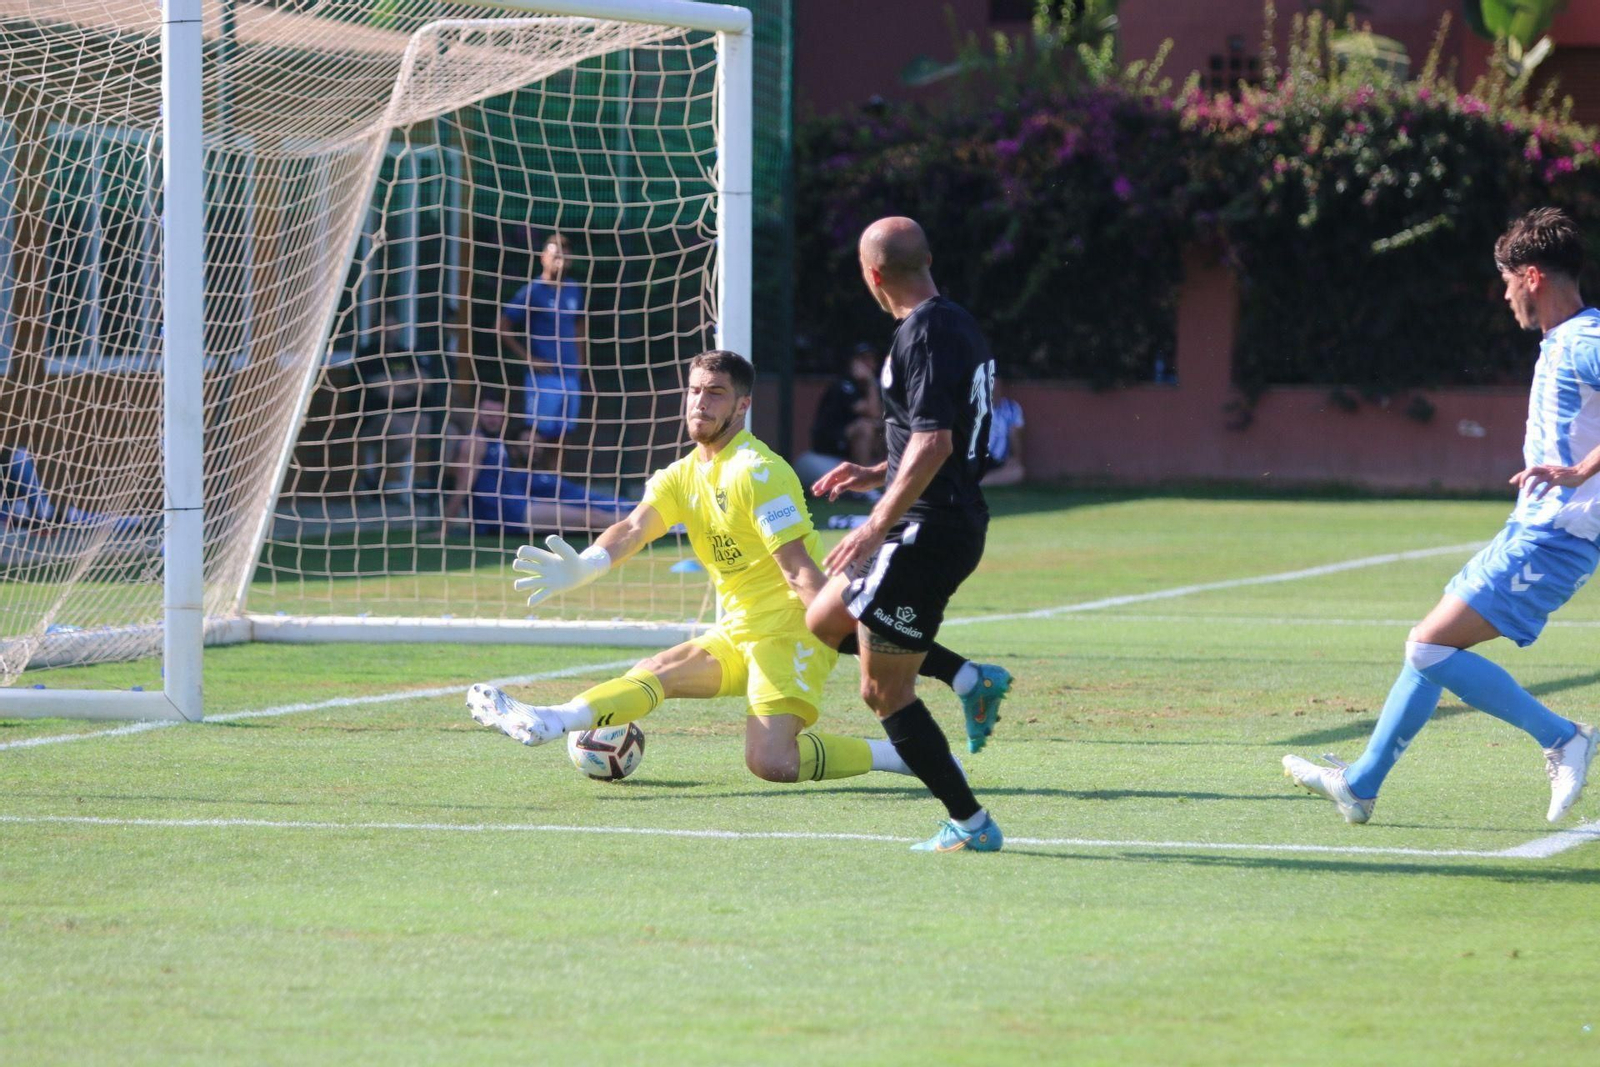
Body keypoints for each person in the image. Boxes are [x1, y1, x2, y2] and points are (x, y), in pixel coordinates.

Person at [465, 350, 1009, 789]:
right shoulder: (680, 475)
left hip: (791, 632)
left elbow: (799, 572)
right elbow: (632, 528)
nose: (700, 402)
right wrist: (585, 565)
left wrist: (838, 627)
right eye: (695, 390)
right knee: (658, 671)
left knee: (772, 764)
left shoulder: (759, 472)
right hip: (738, 631)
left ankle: (901, 757)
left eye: (716, 393)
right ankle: (548, 718)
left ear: (742, 405)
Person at [1284, 207, 1598, 825]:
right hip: (1535, 530)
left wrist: (1582, 471)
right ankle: (1362, 785)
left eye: (1508, 282)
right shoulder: (1565, 340)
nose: (1506, 296)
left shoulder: (1585, 340)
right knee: (1425, 646)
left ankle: (1562, 736)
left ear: (1532, 276)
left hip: (1554, 537)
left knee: (1430, 648)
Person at [804, 216, 1009, 854]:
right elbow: (934, 436)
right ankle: (972, 679)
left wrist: (874, 525)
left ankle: (971, 824)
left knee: (882, 691)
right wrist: (874, 472)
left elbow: (935, 440)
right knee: (824, 620)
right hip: (939, 518)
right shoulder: (954, 322)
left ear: (872, 275)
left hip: (928, 531)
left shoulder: (922, 332)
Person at [441, 391, 630, 536]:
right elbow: (462, 488)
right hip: (507, 515)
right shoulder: (476, 442)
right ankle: (645, 525)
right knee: (591, 519)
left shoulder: (497, 441)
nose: (493, 420)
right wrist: (445, 527)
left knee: (591, 513)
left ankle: (646, 523)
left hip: (519, 503)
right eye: (488, 414)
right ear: (477, 413)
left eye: (497, 415)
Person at [498, 232, 586, 445]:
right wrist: (528, 358)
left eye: (565, 256)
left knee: (563, 437)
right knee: (538, 437)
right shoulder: (533, 291)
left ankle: (554, 479)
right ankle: (536, 479)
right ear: (543, 257)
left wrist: (581, 363)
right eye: (555, 256)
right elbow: (502, 327)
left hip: (570, 375)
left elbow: (580, 326)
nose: (560, 261)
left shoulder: (574, 289)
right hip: (544, 377)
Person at [793, 342, 885, 490]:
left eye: (871, 360)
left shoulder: (875, 385)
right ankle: (864, 484)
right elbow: (872, 413)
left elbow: (879, 417)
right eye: (863, 360)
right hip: (830, 441)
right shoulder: (844, 385)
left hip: (852, 442)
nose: (868, 364)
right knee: (865, 428)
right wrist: (869, 382)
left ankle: (890, 481)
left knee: (888, 428)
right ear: (853, 363)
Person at [980, 380, 1026, 487]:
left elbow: (1017, 433)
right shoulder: (976, 406)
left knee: (1018, 472)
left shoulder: (1012, 408)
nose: (994, 391)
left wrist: (1015, 458)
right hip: (976, 458)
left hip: (997, 461)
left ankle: (981, 483)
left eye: (996, 387)